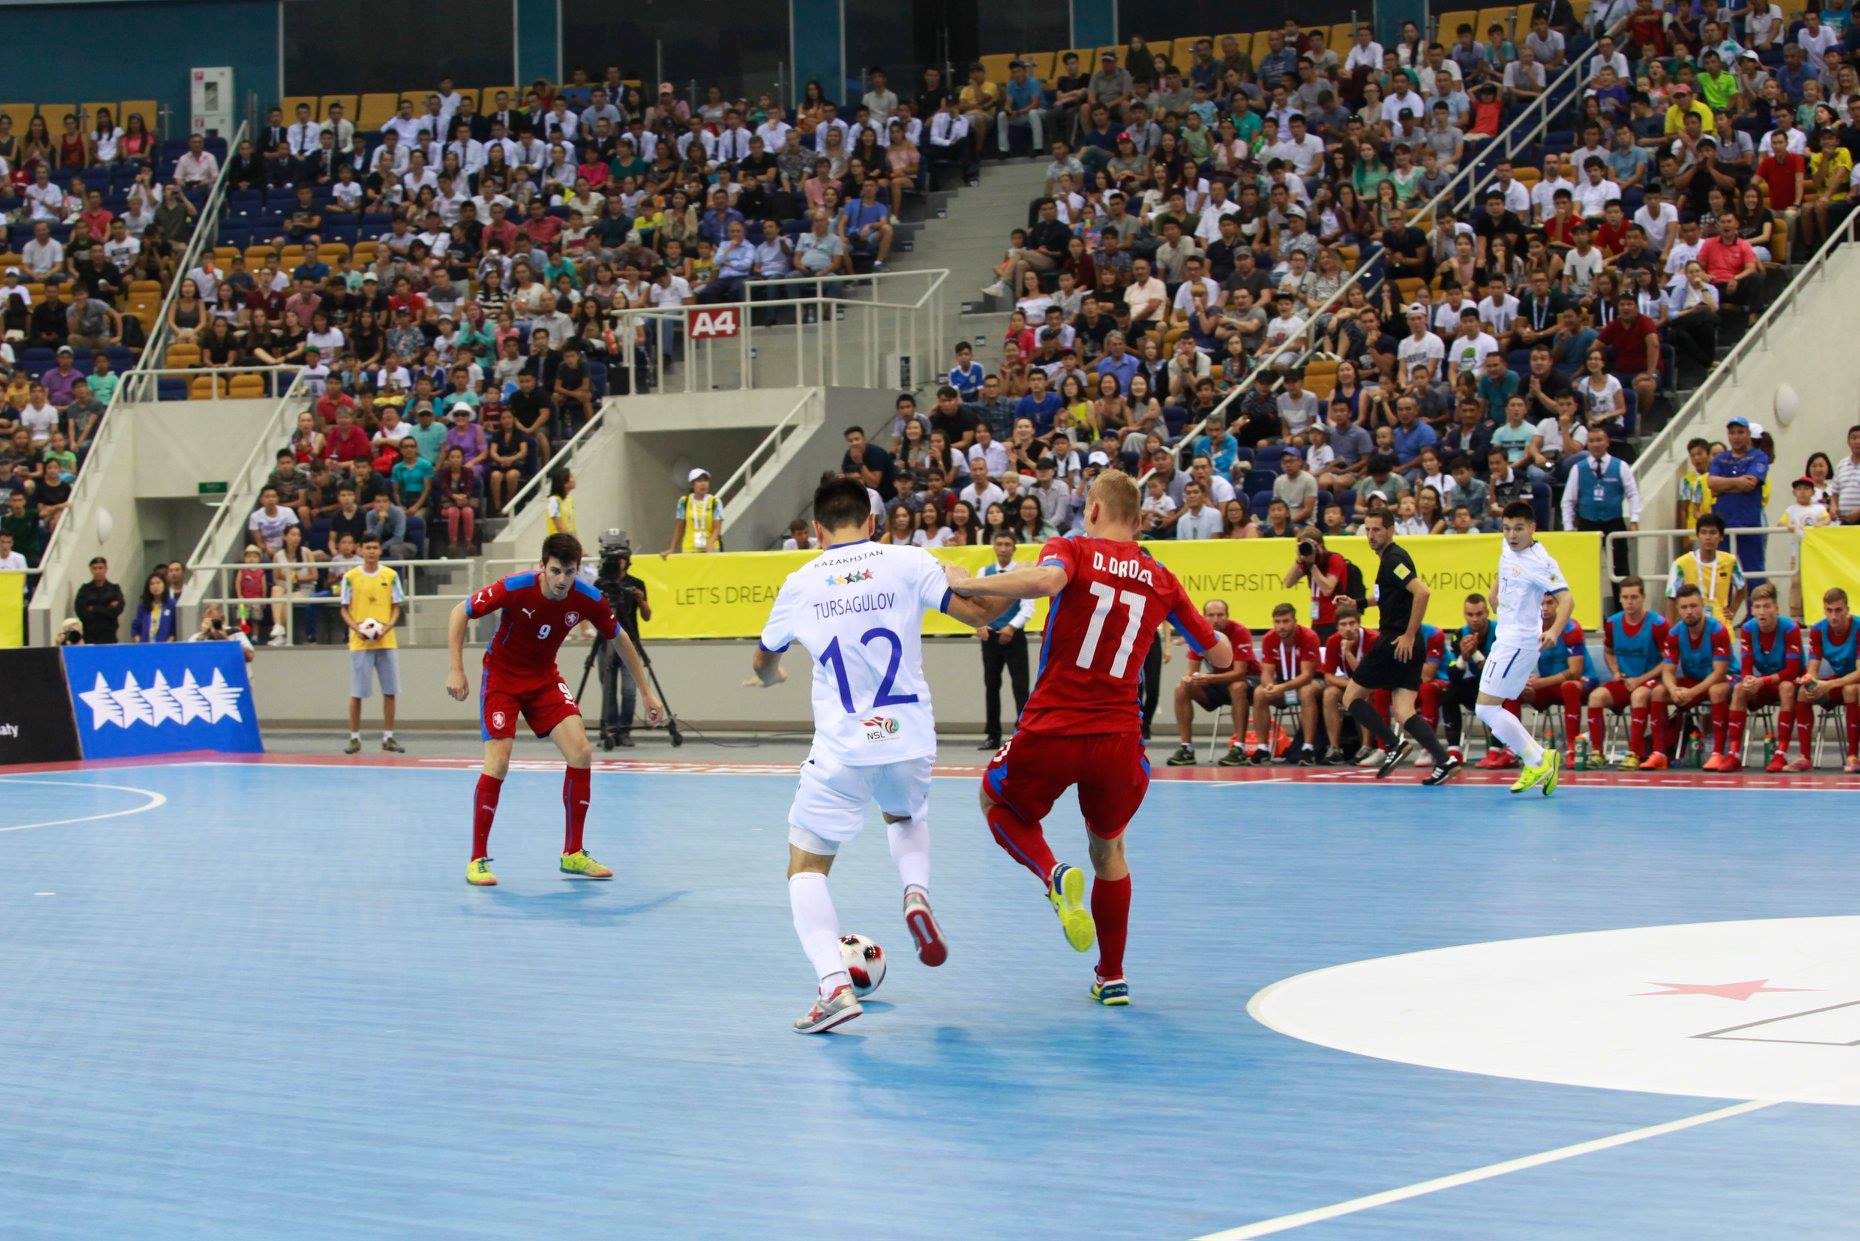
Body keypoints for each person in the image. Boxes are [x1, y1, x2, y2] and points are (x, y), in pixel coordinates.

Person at [950, 472, 1233, 1007]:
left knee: (995, 801)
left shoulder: (1074, 549)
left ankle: (1052, 873)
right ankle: (1112, 976)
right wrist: (1208, 634)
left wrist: (967, 583)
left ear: (1095, 511)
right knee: (1109, 848)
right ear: (1140, 520)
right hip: (1119, 737)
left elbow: (1046, 582)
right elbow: (1221, 657)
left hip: (1054, 726)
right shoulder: (1162, 578)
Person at [746, 477, 999, 1033]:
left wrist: (770, 677)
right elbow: (982, 614)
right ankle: (915, 894)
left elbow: (764, 660)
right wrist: (996, 580)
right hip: (910, 737)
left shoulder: (800, 582)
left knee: (806, 867)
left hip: (843, 749)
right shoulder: (909, 561)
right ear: (872, 522)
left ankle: (834, 989)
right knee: (903, 816)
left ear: (817, 531)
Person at [448, 532, 665, 887]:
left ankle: (573, 853)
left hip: (544, 679)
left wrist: (647, 693)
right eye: (556, 571)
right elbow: (460, 611)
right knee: (498, 762)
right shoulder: (515, 587)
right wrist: (456, 668)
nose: (563, 580)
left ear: (578, 570)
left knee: (581, 751)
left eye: (570, 571)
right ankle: (477, 859)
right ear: (542, 567)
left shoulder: (587, 597)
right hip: (502, 679)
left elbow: (620, 638)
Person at [1342, 507, 1461, 783]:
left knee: (1350, 698)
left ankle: (1393, 744)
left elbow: (1422, 592)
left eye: (1376, 530)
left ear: (1391, 530)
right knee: (1405, 711)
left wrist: (1408, 634)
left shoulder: (1393, 558)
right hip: (1409, 645)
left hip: (1395, 641)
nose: (1371, 535)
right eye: (1367, 530)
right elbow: (1388, 595)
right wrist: (1358, 603)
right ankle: (1444, 761)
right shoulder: (1390, 559)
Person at [1472, 501, 1573, 794]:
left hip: (1518, 642)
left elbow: (1567, 600)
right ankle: (1539, 759)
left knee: (1486, 708)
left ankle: (1537, 759)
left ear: (1532, 528)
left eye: (1518, 529)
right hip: (1506, 637)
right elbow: (1503, 569)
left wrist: (1554, 631)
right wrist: (1494, 594)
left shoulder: (1541, 562)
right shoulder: (1507, 547)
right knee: (1490, 707)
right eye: (1506, 528)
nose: (1512, 535)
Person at [1712, 583, 1803, 773]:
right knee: (1739, 689)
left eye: (1767, 606)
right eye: (1757, 607)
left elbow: (1792, 671)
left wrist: (1762, 681)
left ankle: (1780, 753)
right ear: (1752, 610)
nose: (1762, 612)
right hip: (1764, 681)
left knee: (1786, 687)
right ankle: (1734, 754)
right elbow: (1746, 667)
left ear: (1776, 608)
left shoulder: (1790, 628)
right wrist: (1748, 680)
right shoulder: (1748, 629)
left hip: (1787, 680)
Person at [1645, 583, 1734, 770]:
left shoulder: (1717, 630)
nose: (1689, 611)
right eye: (1684, 607)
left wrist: (1691, 692)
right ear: (1678, 609)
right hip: (1694, 681)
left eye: (1693, 606)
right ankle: (1660, 753)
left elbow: (1719, 672)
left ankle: (1718, 754)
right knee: (1659, 692)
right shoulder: (1675, 633)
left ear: (1702, 606)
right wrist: (1673, 689)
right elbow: (1668, 670)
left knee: (1717, 691)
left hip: (1724, 679)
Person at [1586, 575, 1670, 769]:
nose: (1629, 602)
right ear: (1620, 599)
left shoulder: (1657, 624)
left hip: (1651, 680)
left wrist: (1641, 679)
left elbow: (1668, 661)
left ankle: (1634, 753)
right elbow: (1608, 651)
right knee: (1596, 697)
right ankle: (1597, 752)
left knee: (1638, 696)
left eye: (1634, 597)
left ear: (1643, 598)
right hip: (1625, 681)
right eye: (1625, 597)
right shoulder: (1613, 623)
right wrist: (1615, 671)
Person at [1165, 598, 1258, 767]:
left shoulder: (1239, 631)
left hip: (1249, 681)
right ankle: (1186, 749)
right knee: (1181, 688)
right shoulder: (1199, 634)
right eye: (1211, 615)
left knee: (1237, 687)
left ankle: (1239, 748)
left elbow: (1239, 673)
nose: (1216, 619)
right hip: (1218, 681)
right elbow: (1191, 671)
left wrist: (1208, 678)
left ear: (1227, 616)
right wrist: (1188, 679)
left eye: (1220, 615)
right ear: (1204, 617)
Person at [339, 535, 407, 755]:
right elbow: (344, 608)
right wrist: (356, 628)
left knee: (390, 691)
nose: (371, 551)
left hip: (386, 641)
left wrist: (386, 627)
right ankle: (354, 738)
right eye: (367, 547)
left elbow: (396, 606)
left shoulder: (391, 575)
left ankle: (388, 737)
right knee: (357, 693)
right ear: (360, 550)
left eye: (375, 547)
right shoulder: (350, 577)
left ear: (380, 551)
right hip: (360, 643)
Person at [1559, 427, 1640, 602]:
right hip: (1587, 524)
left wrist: (1634, 519)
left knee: (1620, 569)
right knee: (1586, 569)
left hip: (1614, 522)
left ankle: (1622, 608)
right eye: (1592, 441)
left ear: (1607, 442)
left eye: (1599, 440)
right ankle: (1587, 606)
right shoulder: (1578, 469)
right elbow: (1568, 500)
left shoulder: (1621, 466)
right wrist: (1569, 527)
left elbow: (1633, 494)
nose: (1596, 444)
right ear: (1587, 444)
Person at [974, 531, 1034, 752]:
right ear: (994, 547)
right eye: (999, 544)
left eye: (1008, 544)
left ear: (1014, 548)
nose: (1003, 548)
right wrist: (979, 624)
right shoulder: (984, 572)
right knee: (991, 686)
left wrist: (1011, 627)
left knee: (1021, 686)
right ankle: (993, 735)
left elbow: (1028, 606)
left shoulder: (1021, 573)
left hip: (1014, 636)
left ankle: (1023, 734)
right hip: (990, 636)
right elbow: (976, 602)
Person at [1243, 602, 1324, 764]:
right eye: (1277, 622)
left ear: (1295, 622)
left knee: (1306, 691)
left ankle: (1307, 748)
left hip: (1313, 681)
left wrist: (1281, 687)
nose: (1281, 626)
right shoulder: (1269, 638)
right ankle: (1263, 748)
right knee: (1259, 693)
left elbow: (1307, 675)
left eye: (1286, 621)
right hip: (1283, 683)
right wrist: (1269, 686)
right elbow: (1266, 672)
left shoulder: (1308, 636)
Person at [597, 541, 652, 747]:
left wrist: (641, 600)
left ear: (627, 561)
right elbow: (589, 612)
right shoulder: (600, 584)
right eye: (613, 559)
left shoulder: (636, 584)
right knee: (608, 689)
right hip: (605, 642)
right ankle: (611, 730)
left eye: (620, 559)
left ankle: (625, 731)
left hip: (630, 642)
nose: (617, 563)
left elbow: (647, 616)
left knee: (629, 690)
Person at [1799, 587, 1859, 773]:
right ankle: (1804, 757)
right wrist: (1811, 683)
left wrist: (1829, 685)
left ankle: (1852, 756)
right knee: (1803, 693)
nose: (1833, 616)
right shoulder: (1818, 630)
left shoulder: (1858, 628)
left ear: (1847, 609)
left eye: (1838, 610)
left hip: (1854, 681)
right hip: (1840, 680)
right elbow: (1813, 669)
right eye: (1829, 610)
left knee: (1850, 689)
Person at [1707, 415, 1769, 574]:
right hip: (1723, 526)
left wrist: (1723, 486)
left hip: (1749, 524)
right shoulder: (1720, 458)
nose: (1736, 436)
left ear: (1748, 434)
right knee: (1723, 572)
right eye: (1732, 432)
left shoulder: (1759, 456)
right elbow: (1712, 483)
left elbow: (1750, 483)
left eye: (1740, 432)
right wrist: (1738, 482)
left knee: (1753, 572)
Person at [1666, 513, 1745, 623]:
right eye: (1703, 532)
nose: (1708, 537)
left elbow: (1742, 588)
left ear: (1721, 536)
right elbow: (1671, 598)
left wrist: (1732, 611)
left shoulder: (1730, 561)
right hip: (1692, 623)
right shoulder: (1680, 563)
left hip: (1721, 624)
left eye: (1713, 533)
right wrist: (1670, 629)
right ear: (1698, 535)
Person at [663, 466, 724, 554]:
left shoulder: (715, 502)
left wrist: (710, 544)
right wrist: (672, 548)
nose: (703, 484)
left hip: (711, 549)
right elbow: (679, 528)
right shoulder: (684, 502)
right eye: (699, 481)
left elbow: (717, 528)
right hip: (690, 548)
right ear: (692, 484)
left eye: (705, 480)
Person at [73, 556, 124, 644]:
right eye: (95, 568)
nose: (98, 571)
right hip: (90, 635)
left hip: (109, 635)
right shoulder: (84, 590)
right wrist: (107, 608)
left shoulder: (114, 589)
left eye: (100, 568)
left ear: (106, 569)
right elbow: (81, 612)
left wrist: (93, 608)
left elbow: (117, 610)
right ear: (91, 570)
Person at [130, 570, 178, 642]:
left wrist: (167, 644)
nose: (155, 586)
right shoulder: (143, 605)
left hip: (165, 645)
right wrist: (139, 642)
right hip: (145, 645)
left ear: (164, 585)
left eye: (158, 583)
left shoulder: (171, 604)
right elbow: (135, 627)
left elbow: (174, 629)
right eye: (152, 584)